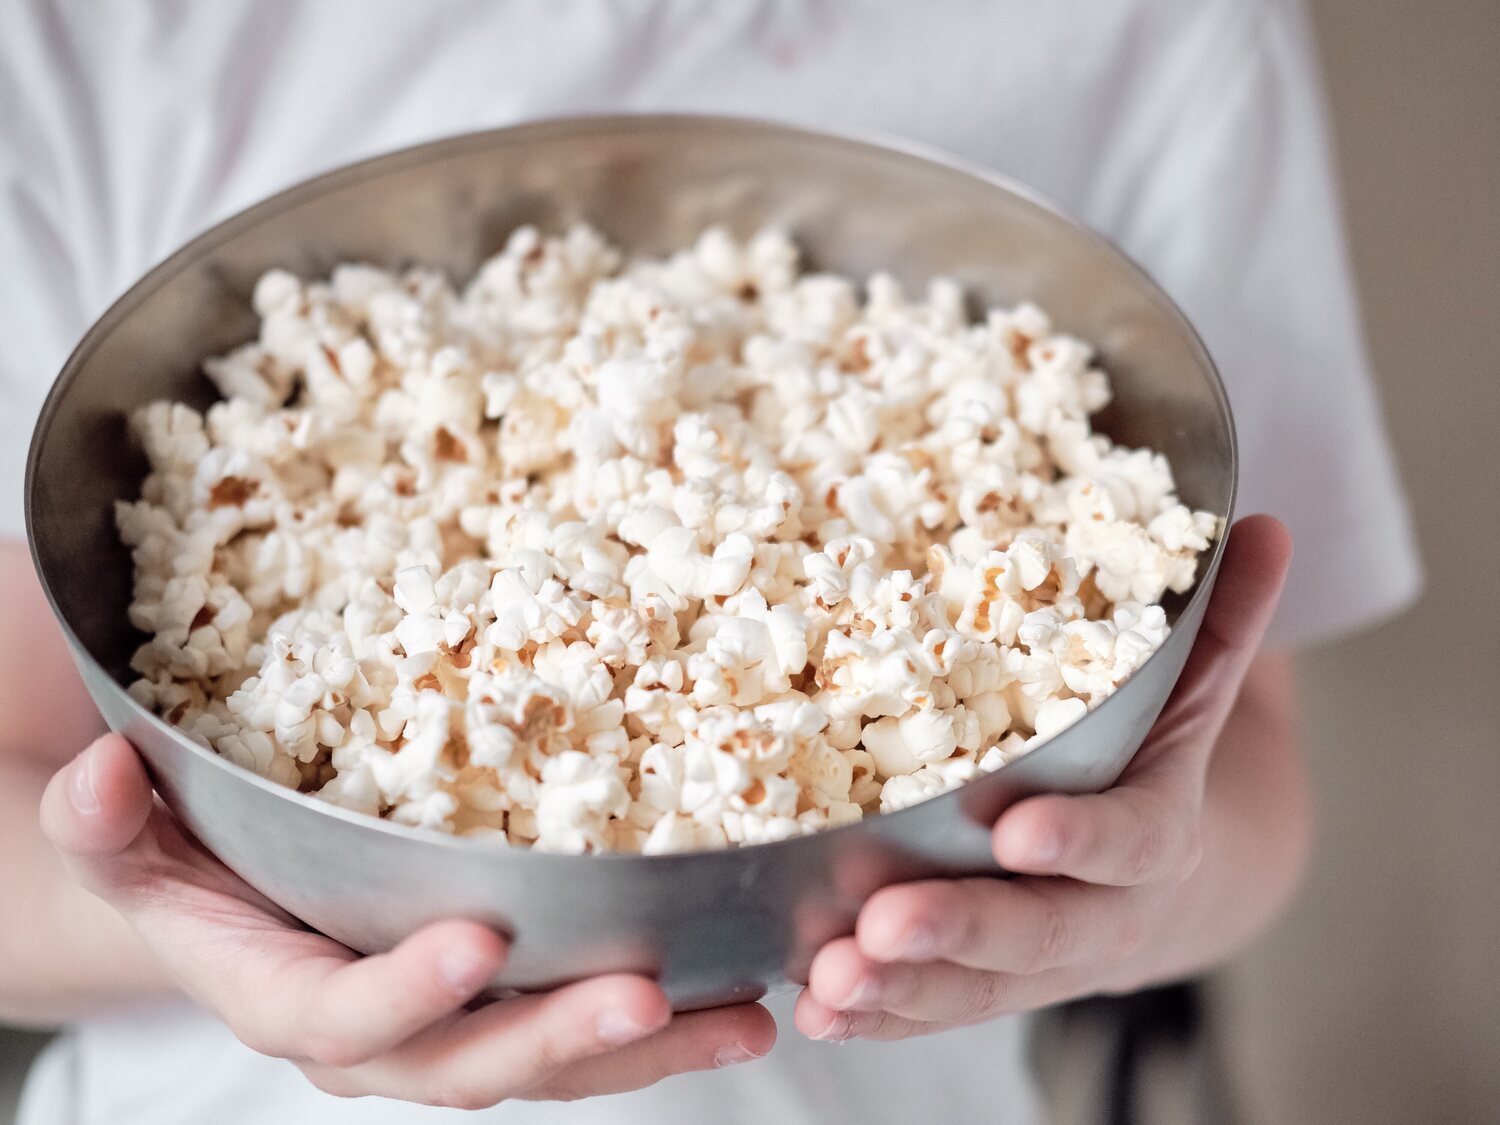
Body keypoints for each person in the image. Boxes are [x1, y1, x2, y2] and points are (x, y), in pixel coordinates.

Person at [0, 2, 1420, 1122]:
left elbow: (1254, 787)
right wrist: (167, 919)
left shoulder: (1168, 25)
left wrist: (1130, 898)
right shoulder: (89, 33)